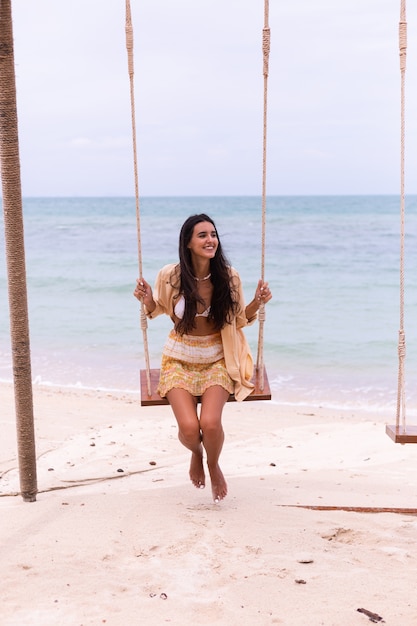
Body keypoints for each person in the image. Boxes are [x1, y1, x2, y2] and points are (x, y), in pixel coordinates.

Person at [133, 214, 272, 503]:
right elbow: (157, 308)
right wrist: (145, 299)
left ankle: (213, 463)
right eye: (202, 235)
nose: (211, 240)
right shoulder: (170, 276)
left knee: (209, 423)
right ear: (188, 243)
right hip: (179, 357)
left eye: (213, 234)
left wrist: (258, 302)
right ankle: (196, 454)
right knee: (188, 429)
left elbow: (239, 320)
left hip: (218, 358)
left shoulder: (229, 277)